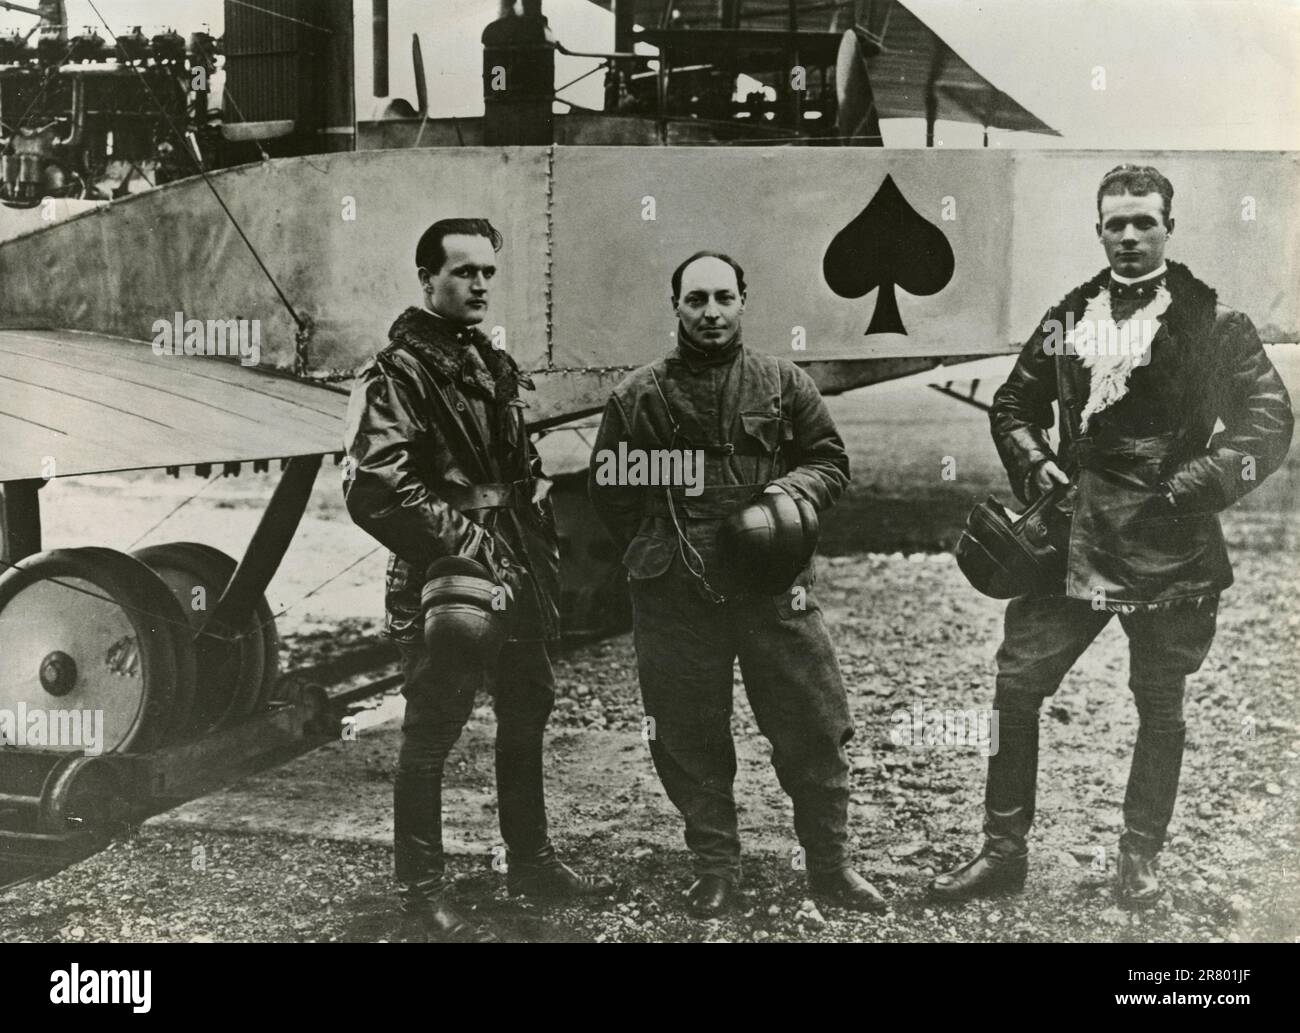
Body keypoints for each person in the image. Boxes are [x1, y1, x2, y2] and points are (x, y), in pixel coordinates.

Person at [931, 165, 1293, 908]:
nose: (1129, 236)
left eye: (1144, 222)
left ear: (1169, 227)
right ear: (1098, 231)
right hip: (1072, 536)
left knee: (1160, 703)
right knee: (1014, 686)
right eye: (1115, 224)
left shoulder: (1215, 323)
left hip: (1170, 541)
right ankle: (1002, 852)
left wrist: (1186, 489)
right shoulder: (1070, 315)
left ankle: (1139, 857)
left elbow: (1267, 422)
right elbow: (1011, 406)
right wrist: (1038, 468)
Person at [588, 250, 887, 917]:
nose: (711, 312)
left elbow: (829, 460)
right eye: (696, 299)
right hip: (676, 594)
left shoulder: (783, 383)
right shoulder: (639, 395)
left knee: (814, 723)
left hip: (771, 585)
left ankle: (831, 866)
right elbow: (607, 485)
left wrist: (784, 498)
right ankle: (717, 868)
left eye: (724, 297)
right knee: (688, 733)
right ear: (676, 308)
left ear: (744, 300)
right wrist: (661, 540)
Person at [344, 217, 612, 942]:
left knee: (529, 702)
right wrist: (469, 544)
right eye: (464, 272)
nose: (480, 285)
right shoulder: (399, 370)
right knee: (433, 725)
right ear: (427, 279)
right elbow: (376, 484)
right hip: (449, 569)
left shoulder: (486, 358)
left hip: (511, 558)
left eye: (488, 272)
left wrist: (532, 513)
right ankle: (420, 894)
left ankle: (530, 861)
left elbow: (510, 462)